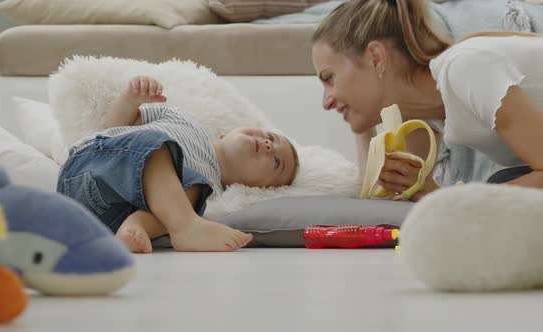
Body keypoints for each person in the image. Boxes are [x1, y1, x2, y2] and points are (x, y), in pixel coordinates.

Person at [311, 0, 543, 201]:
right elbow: (383, 197)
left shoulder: (465, 69)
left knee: (494, 190)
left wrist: (442, 196)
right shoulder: (420, 111)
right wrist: (360, 123)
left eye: (329, 78)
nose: (326, 102)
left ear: (375, 58)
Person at [57, 76, 300, 253]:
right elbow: (114, 128)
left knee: (188, 194)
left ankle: (135, 228)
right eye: (269, 137)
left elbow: (178, 198)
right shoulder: (182, 120)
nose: (268, 146)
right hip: (90, 169)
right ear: (227, 134)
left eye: (276, 162)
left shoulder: (209, 192)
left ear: (258, 187)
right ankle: (185, 229)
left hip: (105, 219)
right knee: (158, 145)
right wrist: (131, 100)